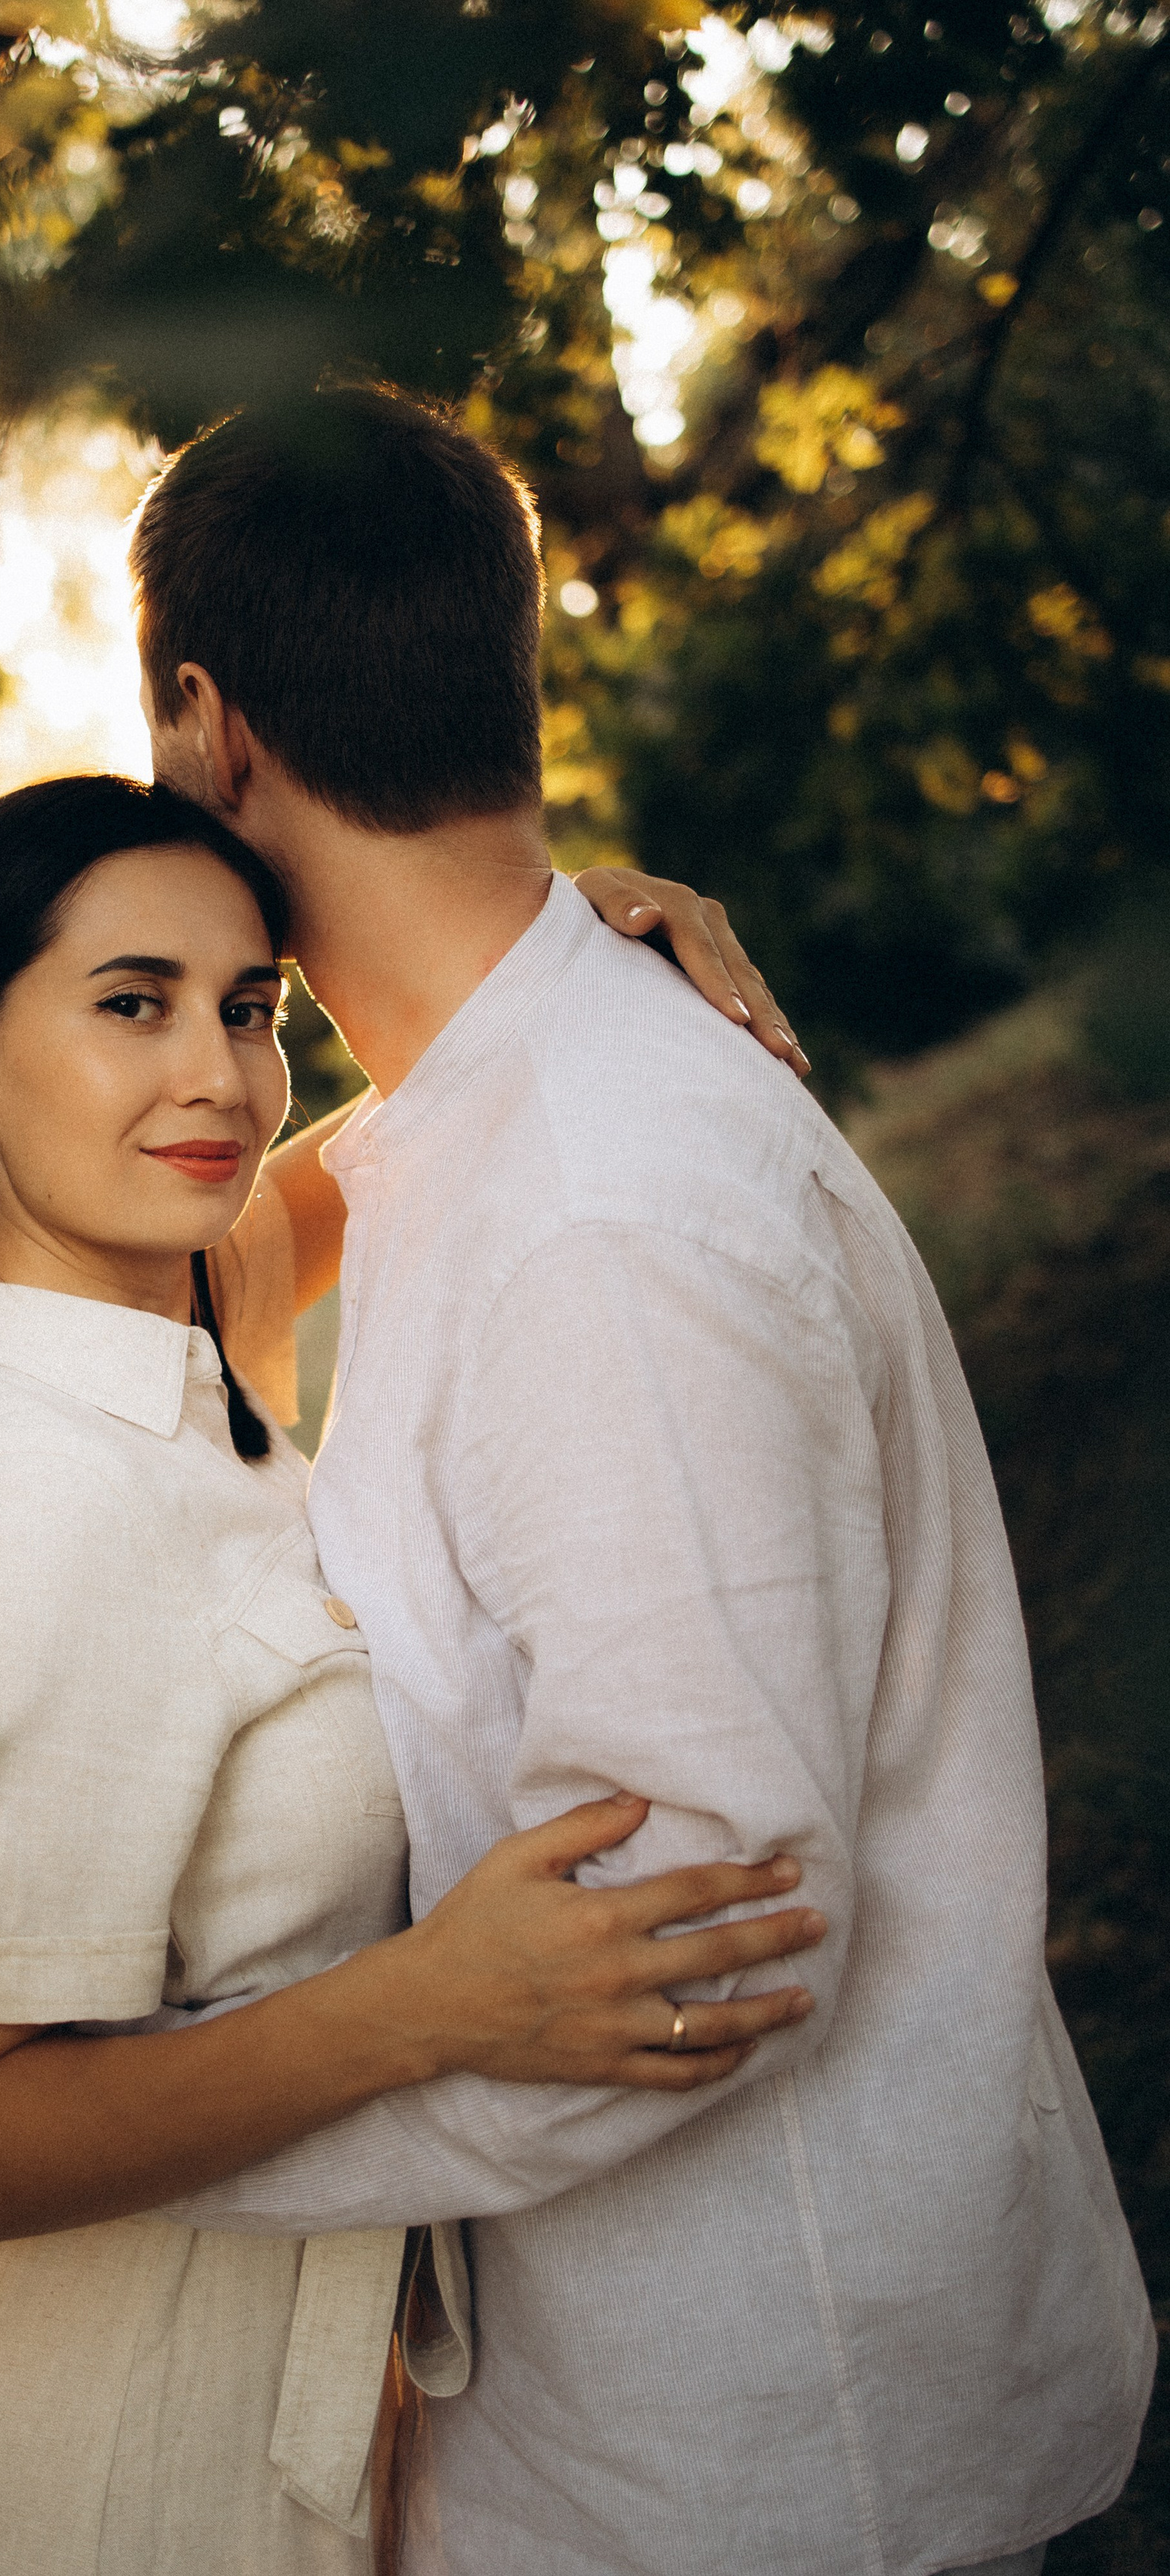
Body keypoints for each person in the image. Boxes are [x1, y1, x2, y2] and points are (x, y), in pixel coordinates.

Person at [129, 384, 1155, 2576]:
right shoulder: (514, 1115)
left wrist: (138, 2132)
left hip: (773, 2451)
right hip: (665, 2420)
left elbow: (706, 1936)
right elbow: (194, 1281)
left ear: (212, 723)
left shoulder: (600, 1201)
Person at [0, 774, 828, 2576]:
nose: (220, 1077)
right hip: (50, 2476)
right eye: (130, 1004)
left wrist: (553, 956)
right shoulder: (11, 1497)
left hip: (231, 2436)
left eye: (247, 1007)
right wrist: (437, 2002)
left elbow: (337, 1166)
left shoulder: (165, 1327)